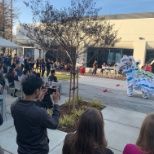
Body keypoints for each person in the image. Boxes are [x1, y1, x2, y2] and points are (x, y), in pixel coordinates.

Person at [11, 75, 60, 154]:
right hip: (38, 150)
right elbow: (54, 124)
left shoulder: (14, 106)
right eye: (41, 88)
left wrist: (38, 100)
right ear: (37, 91)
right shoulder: (40, 113)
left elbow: (29, 110)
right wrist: (56, 103)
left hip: (22, 149)